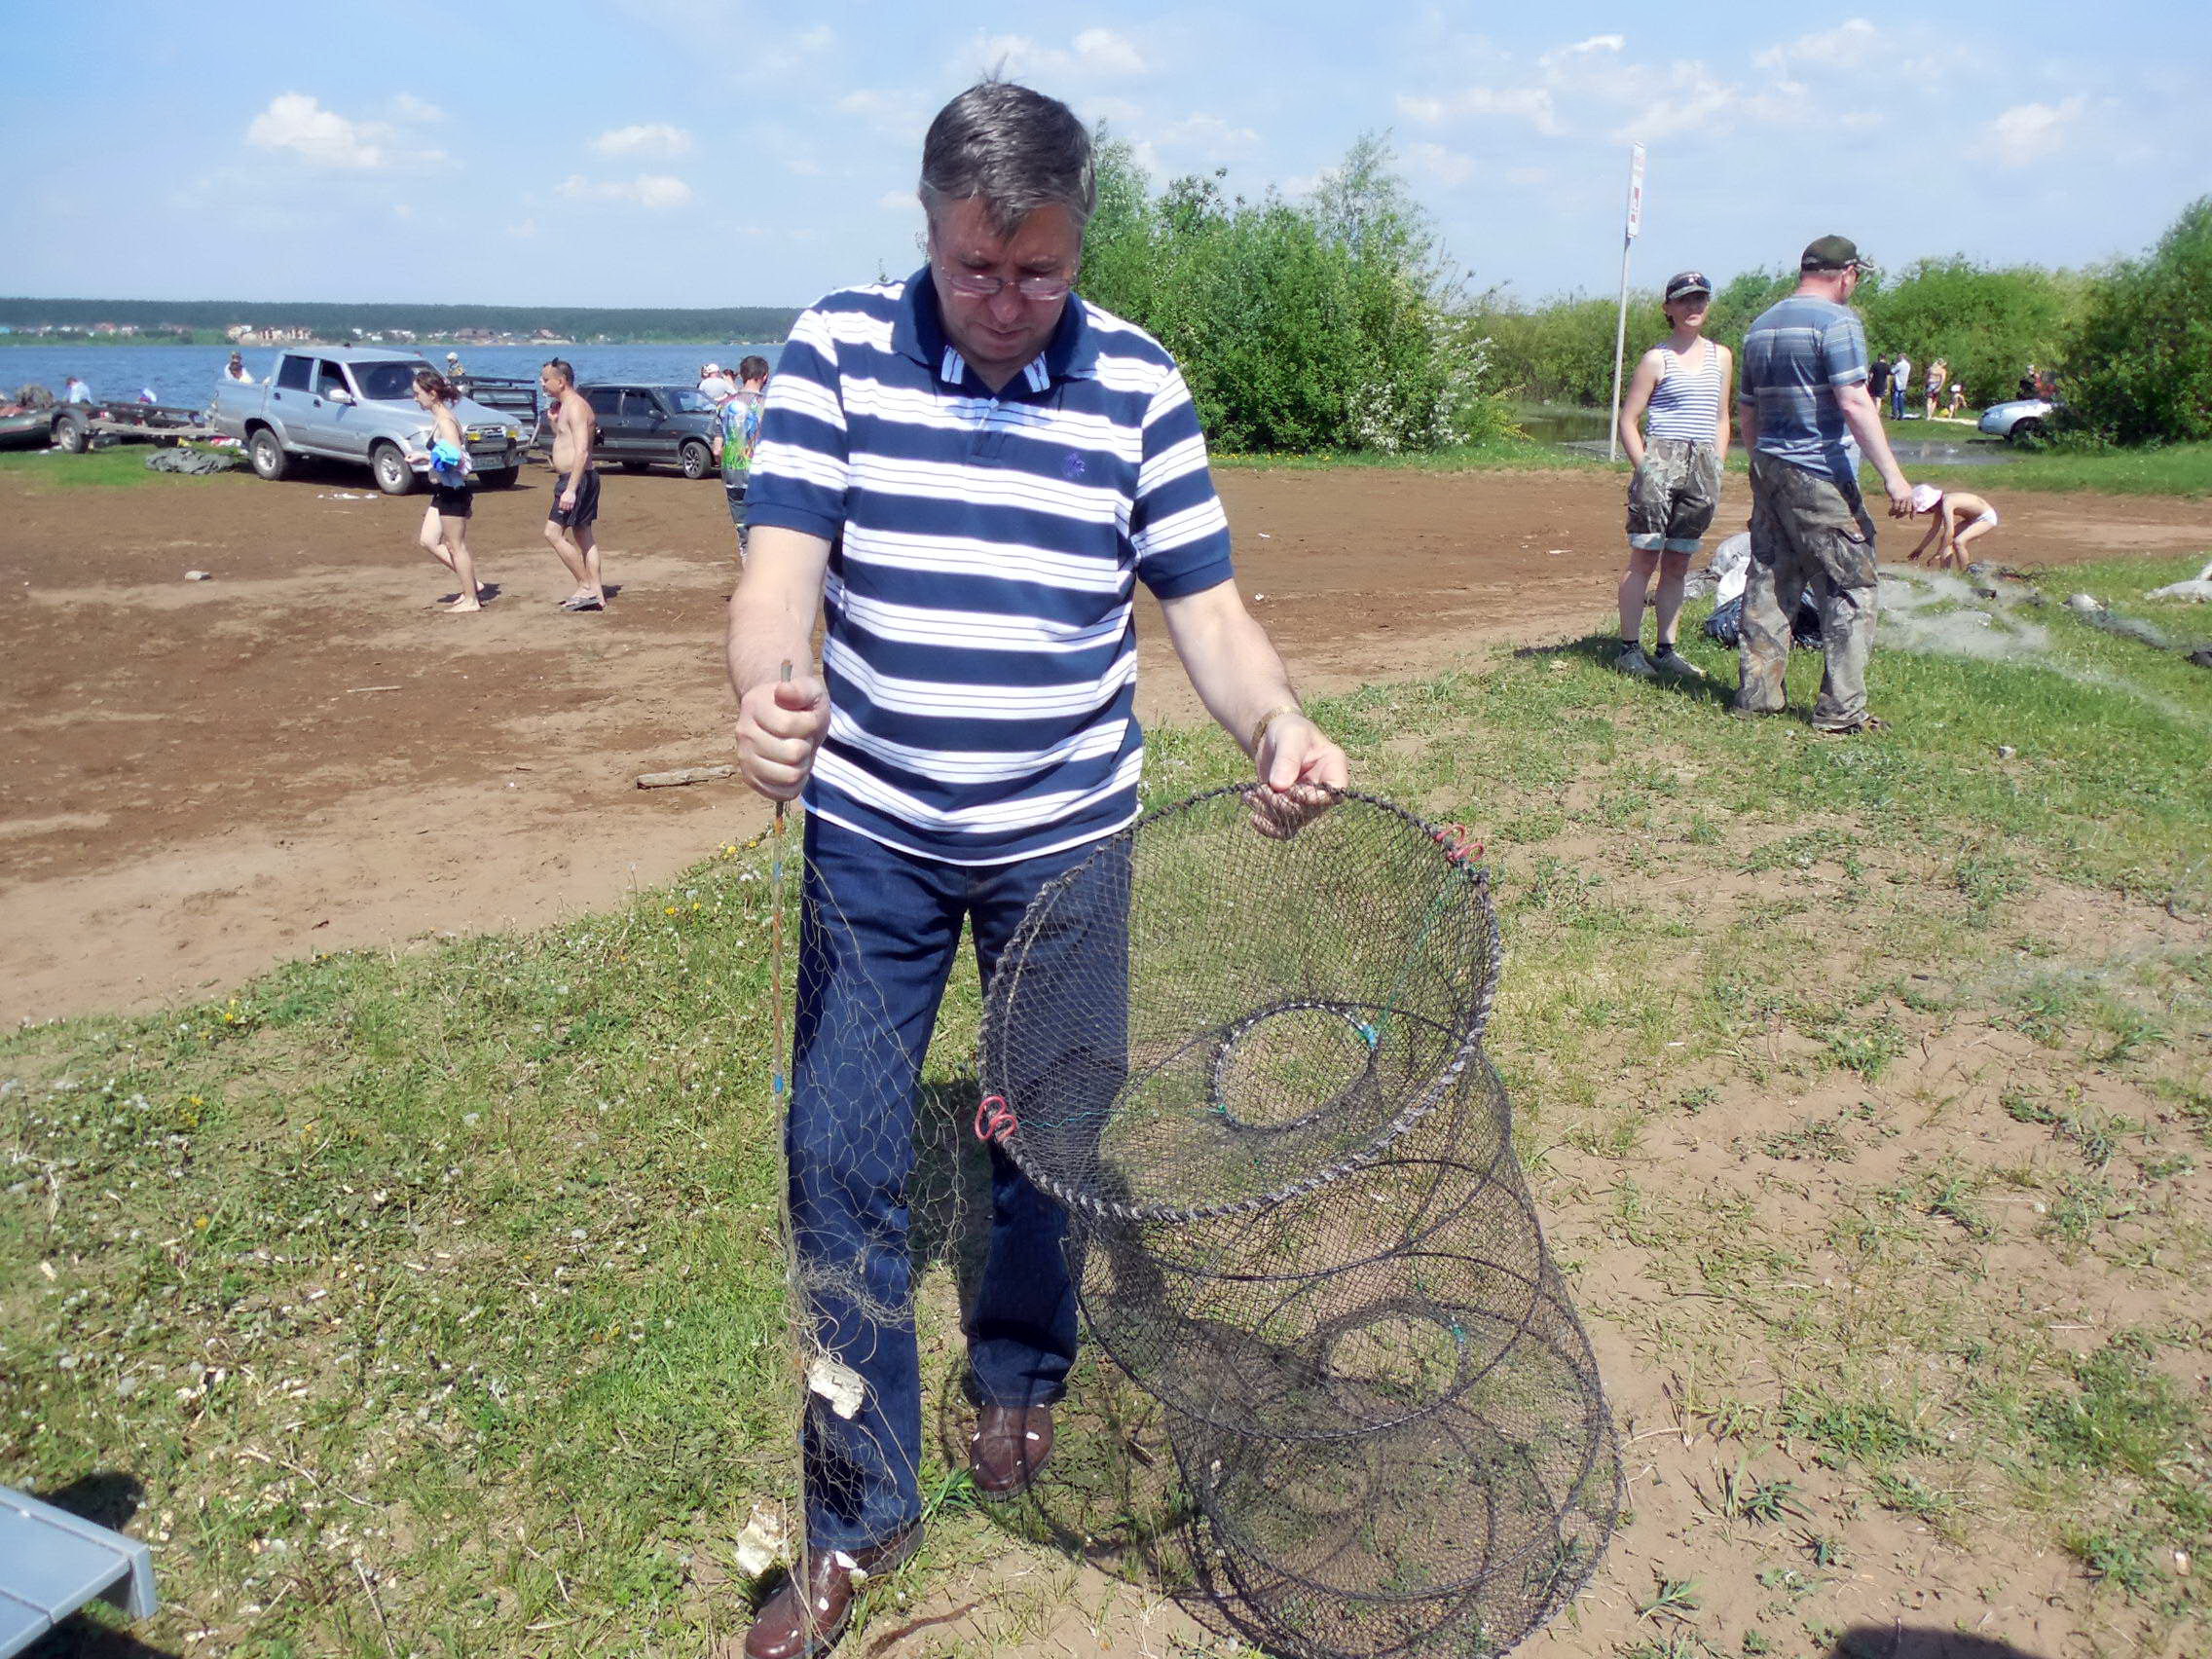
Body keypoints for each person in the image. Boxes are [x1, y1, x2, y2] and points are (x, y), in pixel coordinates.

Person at [726, 79, 1347, 1659]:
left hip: (1067, 840)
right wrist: (769, 686)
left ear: (1080, 245)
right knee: (836, 1159)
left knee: (1052, 1135)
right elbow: (779, 573)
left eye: (1039, 274)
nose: (1005, 304)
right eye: (973, 270)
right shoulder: (835, 349)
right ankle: (860, 1505)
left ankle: (1018, 1365)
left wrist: (1275, 720)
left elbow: (1207, 611)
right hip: (873, 835)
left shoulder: (1137, 381)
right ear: (927, 229)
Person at [1733, 235, 1913, 736]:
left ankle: (1757, 698)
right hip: (1819, 472)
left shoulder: (1761, 326)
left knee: (1770, 581)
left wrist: (1761, 464)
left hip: (1770, 469)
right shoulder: (1838, 322)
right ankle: (1841, 710)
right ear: (1847, 273)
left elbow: (1747, 409)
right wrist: (1894, 477)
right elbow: (1854, 401)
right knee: (1852, 585)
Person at [1613, 270, 1732, 681]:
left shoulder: (1722, 357)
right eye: (1684, 300)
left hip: (1702, 465)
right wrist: (1645, 468)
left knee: (1679, 561)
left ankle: (1667, 650)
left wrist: (1717, 463)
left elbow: (1721, 417)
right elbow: (1628, 420)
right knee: (1645, 557)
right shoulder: (1656, 358)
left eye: (1700, 298)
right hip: (1661, 458)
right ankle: (1629, 649)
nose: (1693, 306)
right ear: (1669, 308)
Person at [409, 368, 483, 611]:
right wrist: (424, 456)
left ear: (432, 393)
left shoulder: (446, 421)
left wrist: (427, 459)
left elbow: (455, 458)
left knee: (455, 546)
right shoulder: (439, 418)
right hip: (443, 490)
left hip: (454, 491)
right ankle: (471, 585)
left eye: (417, 393)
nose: (415, 398)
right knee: (428, 540)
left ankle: (471, 599)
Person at [539, 359, 606, 610]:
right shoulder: (565, 407)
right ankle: (597, 594)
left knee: (552, 533)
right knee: (583, 534)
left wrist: (570, 489)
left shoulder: (576, 406)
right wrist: (554, 422)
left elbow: (582, 451)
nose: (542, 384)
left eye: (546, 379)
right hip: (575, 478)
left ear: (561, 381)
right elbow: (565, 439)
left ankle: (585, 586)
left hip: (576, 479)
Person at [711, 354, 768, 559]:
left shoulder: (723, 404)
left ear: (742, 375)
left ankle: (747, 567)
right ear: (765, 376)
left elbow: (716, 449)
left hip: (731, 473)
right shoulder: (768, 405)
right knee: (763, 530)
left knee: (743, 533)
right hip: (760, 474)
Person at [1903, 482, 2000, 571]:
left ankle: (1965, 574)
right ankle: (1945, 573)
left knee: (1958, 542)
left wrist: (1938, 554)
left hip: (1986, 518)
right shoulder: (1939, 507)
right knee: (1945, 540)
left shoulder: (1947, 503)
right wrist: (1920, 549)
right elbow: (1934, 530)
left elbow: (1950, 531)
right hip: (1971, 519)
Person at [1923, 357, 1948, 421]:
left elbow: (1926, 377)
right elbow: (1942, 380)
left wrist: (1926, 384)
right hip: (1937, 384)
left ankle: (1928, 415)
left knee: (1929, 400)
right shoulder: (1942, 370)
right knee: (1934, 401)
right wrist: (1939, 387)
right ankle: (1930, 415)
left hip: (1930, 385)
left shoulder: (1931, 369)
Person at [1888, 350, 1911, 420]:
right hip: (1904, 383)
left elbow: (1892, 372)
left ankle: (1895, 415)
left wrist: (1892, 366)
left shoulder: (1899, 365)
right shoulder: (1908, 365)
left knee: (1895, 399)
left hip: (1898, 383)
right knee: (1901, 399)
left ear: (1901, 357)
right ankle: (1901, 415)